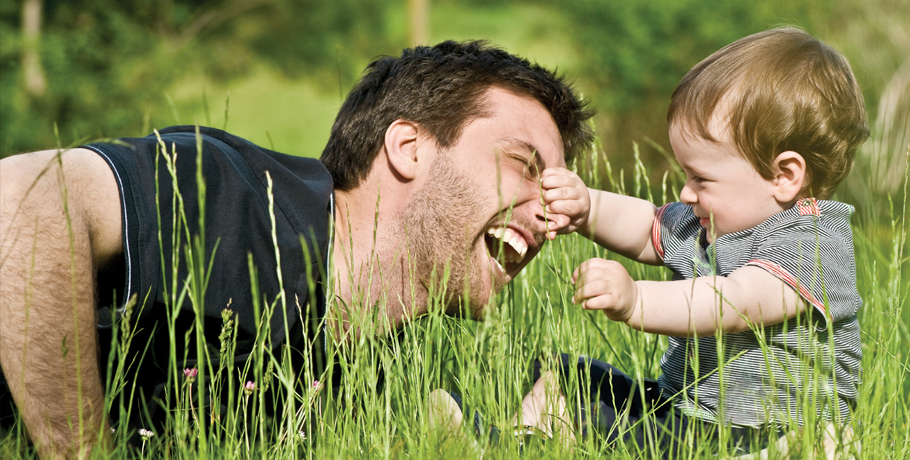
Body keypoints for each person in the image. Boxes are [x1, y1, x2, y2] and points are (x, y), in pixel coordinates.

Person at [0, 40, 594, 458]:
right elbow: (20, 198)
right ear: (409, 148)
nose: (555, 212)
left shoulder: (396, 363)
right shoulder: (240, 200)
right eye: (525, 165)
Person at [539, 27, 868, 456]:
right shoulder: (714, 222)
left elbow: (733, 301)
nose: (685, 193)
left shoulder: (813, 242)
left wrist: (636, 300)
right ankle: (513, 441)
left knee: (612, 427)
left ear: (785, 176)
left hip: (760, 427)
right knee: (566, 375)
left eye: (701, 178)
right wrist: (586, 208)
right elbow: (648, 225)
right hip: (685, 408)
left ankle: (809, 450)